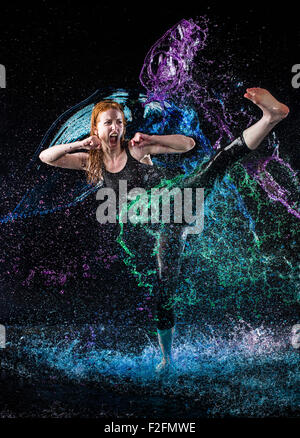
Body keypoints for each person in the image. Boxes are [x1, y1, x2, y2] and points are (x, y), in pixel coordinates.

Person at [39, 87, 289, 372]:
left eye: (119, 121)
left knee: (217, 163)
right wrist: (77, 145)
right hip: (169, 227)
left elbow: (187, 144)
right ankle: (167, 359)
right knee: (164, 291)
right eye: (108, 122)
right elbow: (47, 157)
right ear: (96, 128)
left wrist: (152, 139)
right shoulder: (92, 163)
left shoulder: (137, 147)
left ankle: (271, 118)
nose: (115, 127)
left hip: (175, 199)